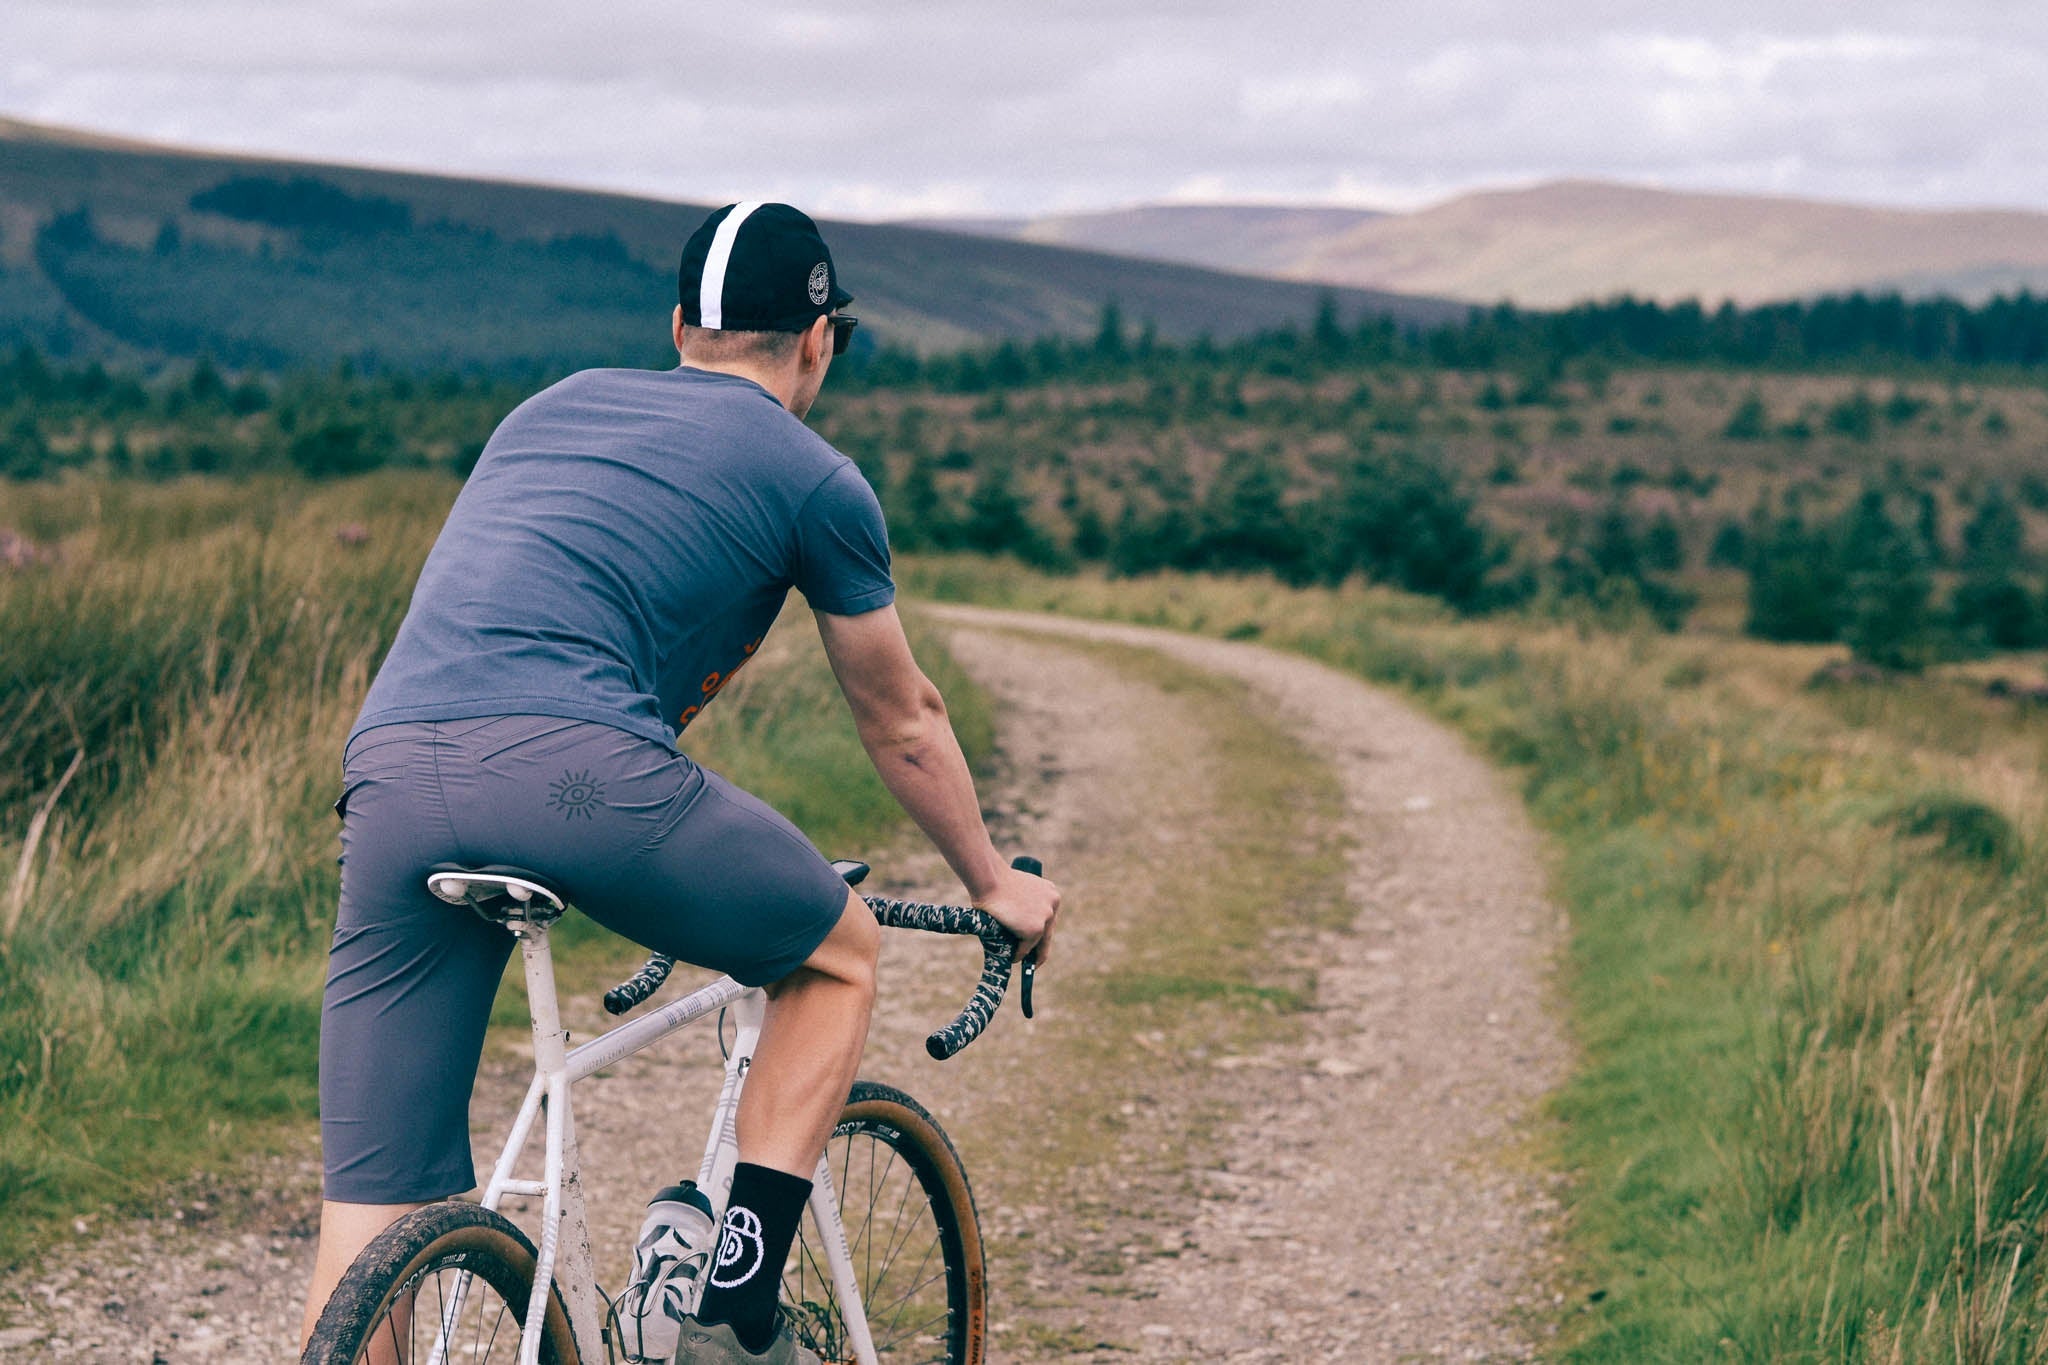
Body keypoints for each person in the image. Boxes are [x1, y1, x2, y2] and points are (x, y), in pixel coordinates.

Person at [298, 201, 1061, 1365]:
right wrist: (992, 878)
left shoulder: (545, 410)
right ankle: (732, 1320)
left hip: (391, 771)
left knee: (374, 1206)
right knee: (835, 949)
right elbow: (901, 718)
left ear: (678, 328)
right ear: (816, 342)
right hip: (578, 781)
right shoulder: (815, 478)